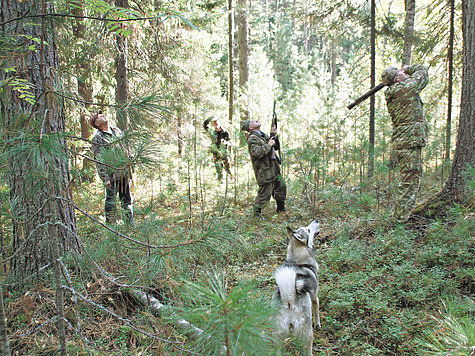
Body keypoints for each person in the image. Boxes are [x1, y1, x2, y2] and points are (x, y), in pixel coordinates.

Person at [381, 64, 429, 222]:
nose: (404, 73)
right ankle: (400, 221)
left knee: (410, 179)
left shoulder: (398, 90)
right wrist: (410, 68)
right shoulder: (403, 89)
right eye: (401, 73)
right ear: (396, 79)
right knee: (409, 181)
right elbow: (422, 75)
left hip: (408, 140)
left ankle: (402, 217)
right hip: (408, 141)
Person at [89, 111, 133, 225]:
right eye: (98, 117)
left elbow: (126, 146)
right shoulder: (97, 138)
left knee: (127, 200)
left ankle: (129, 225)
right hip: (111, 175)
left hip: (124, 172)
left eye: (102, 114)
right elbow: (99, 159)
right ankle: (111, 226)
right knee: (111, 202)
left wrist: (131, 163)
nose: (102, 116)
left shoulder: (117, 131)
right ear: (96, 124)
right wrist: (105, 178)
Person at [241, 118, 287, 216]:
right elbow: (258, 153)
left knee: (280, 187)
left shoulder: (262, 135)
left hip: (273, 167)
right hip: (264, 170)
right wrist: (269, 145)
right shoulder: (252, 138)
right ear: (250, 127)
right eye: (254, 121)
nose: (256, 120)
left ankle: (281, 209)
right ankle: (256, 214)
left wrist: (274, 135)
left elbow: (276, 147)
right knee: (265, 193)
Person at [203, 117, 231, 181]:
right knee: (218, 166)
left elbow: (229, 141)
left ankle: (229, 178)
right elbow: (205, 126)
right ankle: (220, 179)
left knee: (227, 165)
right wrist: (210, 118)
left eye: (217, 123)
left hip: (224, 151)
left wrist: (225, 143)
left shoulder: (225, 132)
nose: (216, 124)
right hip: (215, 151)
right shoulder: (212, 132)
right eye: (214, 123)